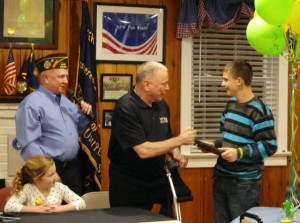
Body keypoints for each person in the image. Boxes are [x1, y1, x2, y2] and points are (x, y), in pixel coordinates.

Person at [108, 61, 197, 217]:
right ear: (147, 84)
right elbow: (143, 151)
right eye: (164, 84)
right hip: (129, 182)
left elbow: (166, 135)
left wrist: (175, 152)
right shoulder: (126, 107)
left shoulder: (162, 105)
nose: (167, 88)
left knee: (172, 207)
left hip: (156, 176)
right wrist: (180, 140)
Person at [204, 60, 277, 223]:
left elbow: (269, 146)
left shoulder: (260, 110)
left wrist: (239, 153)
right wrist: (213, 145)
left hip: (244, 184)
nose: (222, 84)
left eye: (225, 80)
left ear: (239, 81)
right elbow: (228, 137)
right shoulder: (230, 105)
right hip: (221, 177)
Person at [13, 53, 92, 196]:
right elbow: (29, 145)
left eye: (66, 76)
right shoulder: (31, 104)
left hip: (72, 169)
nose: (66, 81)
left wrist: (84, 115)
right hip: (47, 173)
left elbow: (77, 131)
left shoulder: (66, 101)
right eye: (61, 77)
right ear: (45, 78)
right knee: (49, 216)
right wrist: (49, 173)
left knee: (75, 215)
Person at [4, 155, 86, 213]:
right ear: (37, 179)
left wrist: (60, 209)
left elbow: (81, 203)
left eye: (55, 172)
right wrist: (36, 209)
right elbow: (9, 206)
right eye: (51, 175)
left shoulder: (60, 188)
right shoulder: (28, 189)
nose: (56, 178)